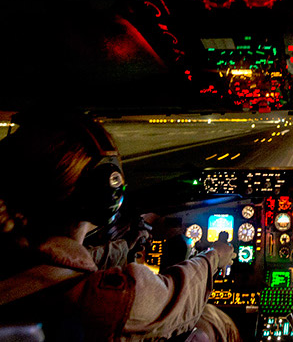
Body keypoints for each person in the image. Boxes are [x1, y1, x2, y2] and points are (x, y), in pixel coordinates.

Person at [0, 110, 239, 342]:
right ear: (107, 195)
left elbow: (69, 260)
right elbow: (173, 300)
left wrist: (126, 245)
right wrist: (215, 257)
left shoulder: (19, 260)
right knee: (215, 324)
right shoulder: (100, 301)